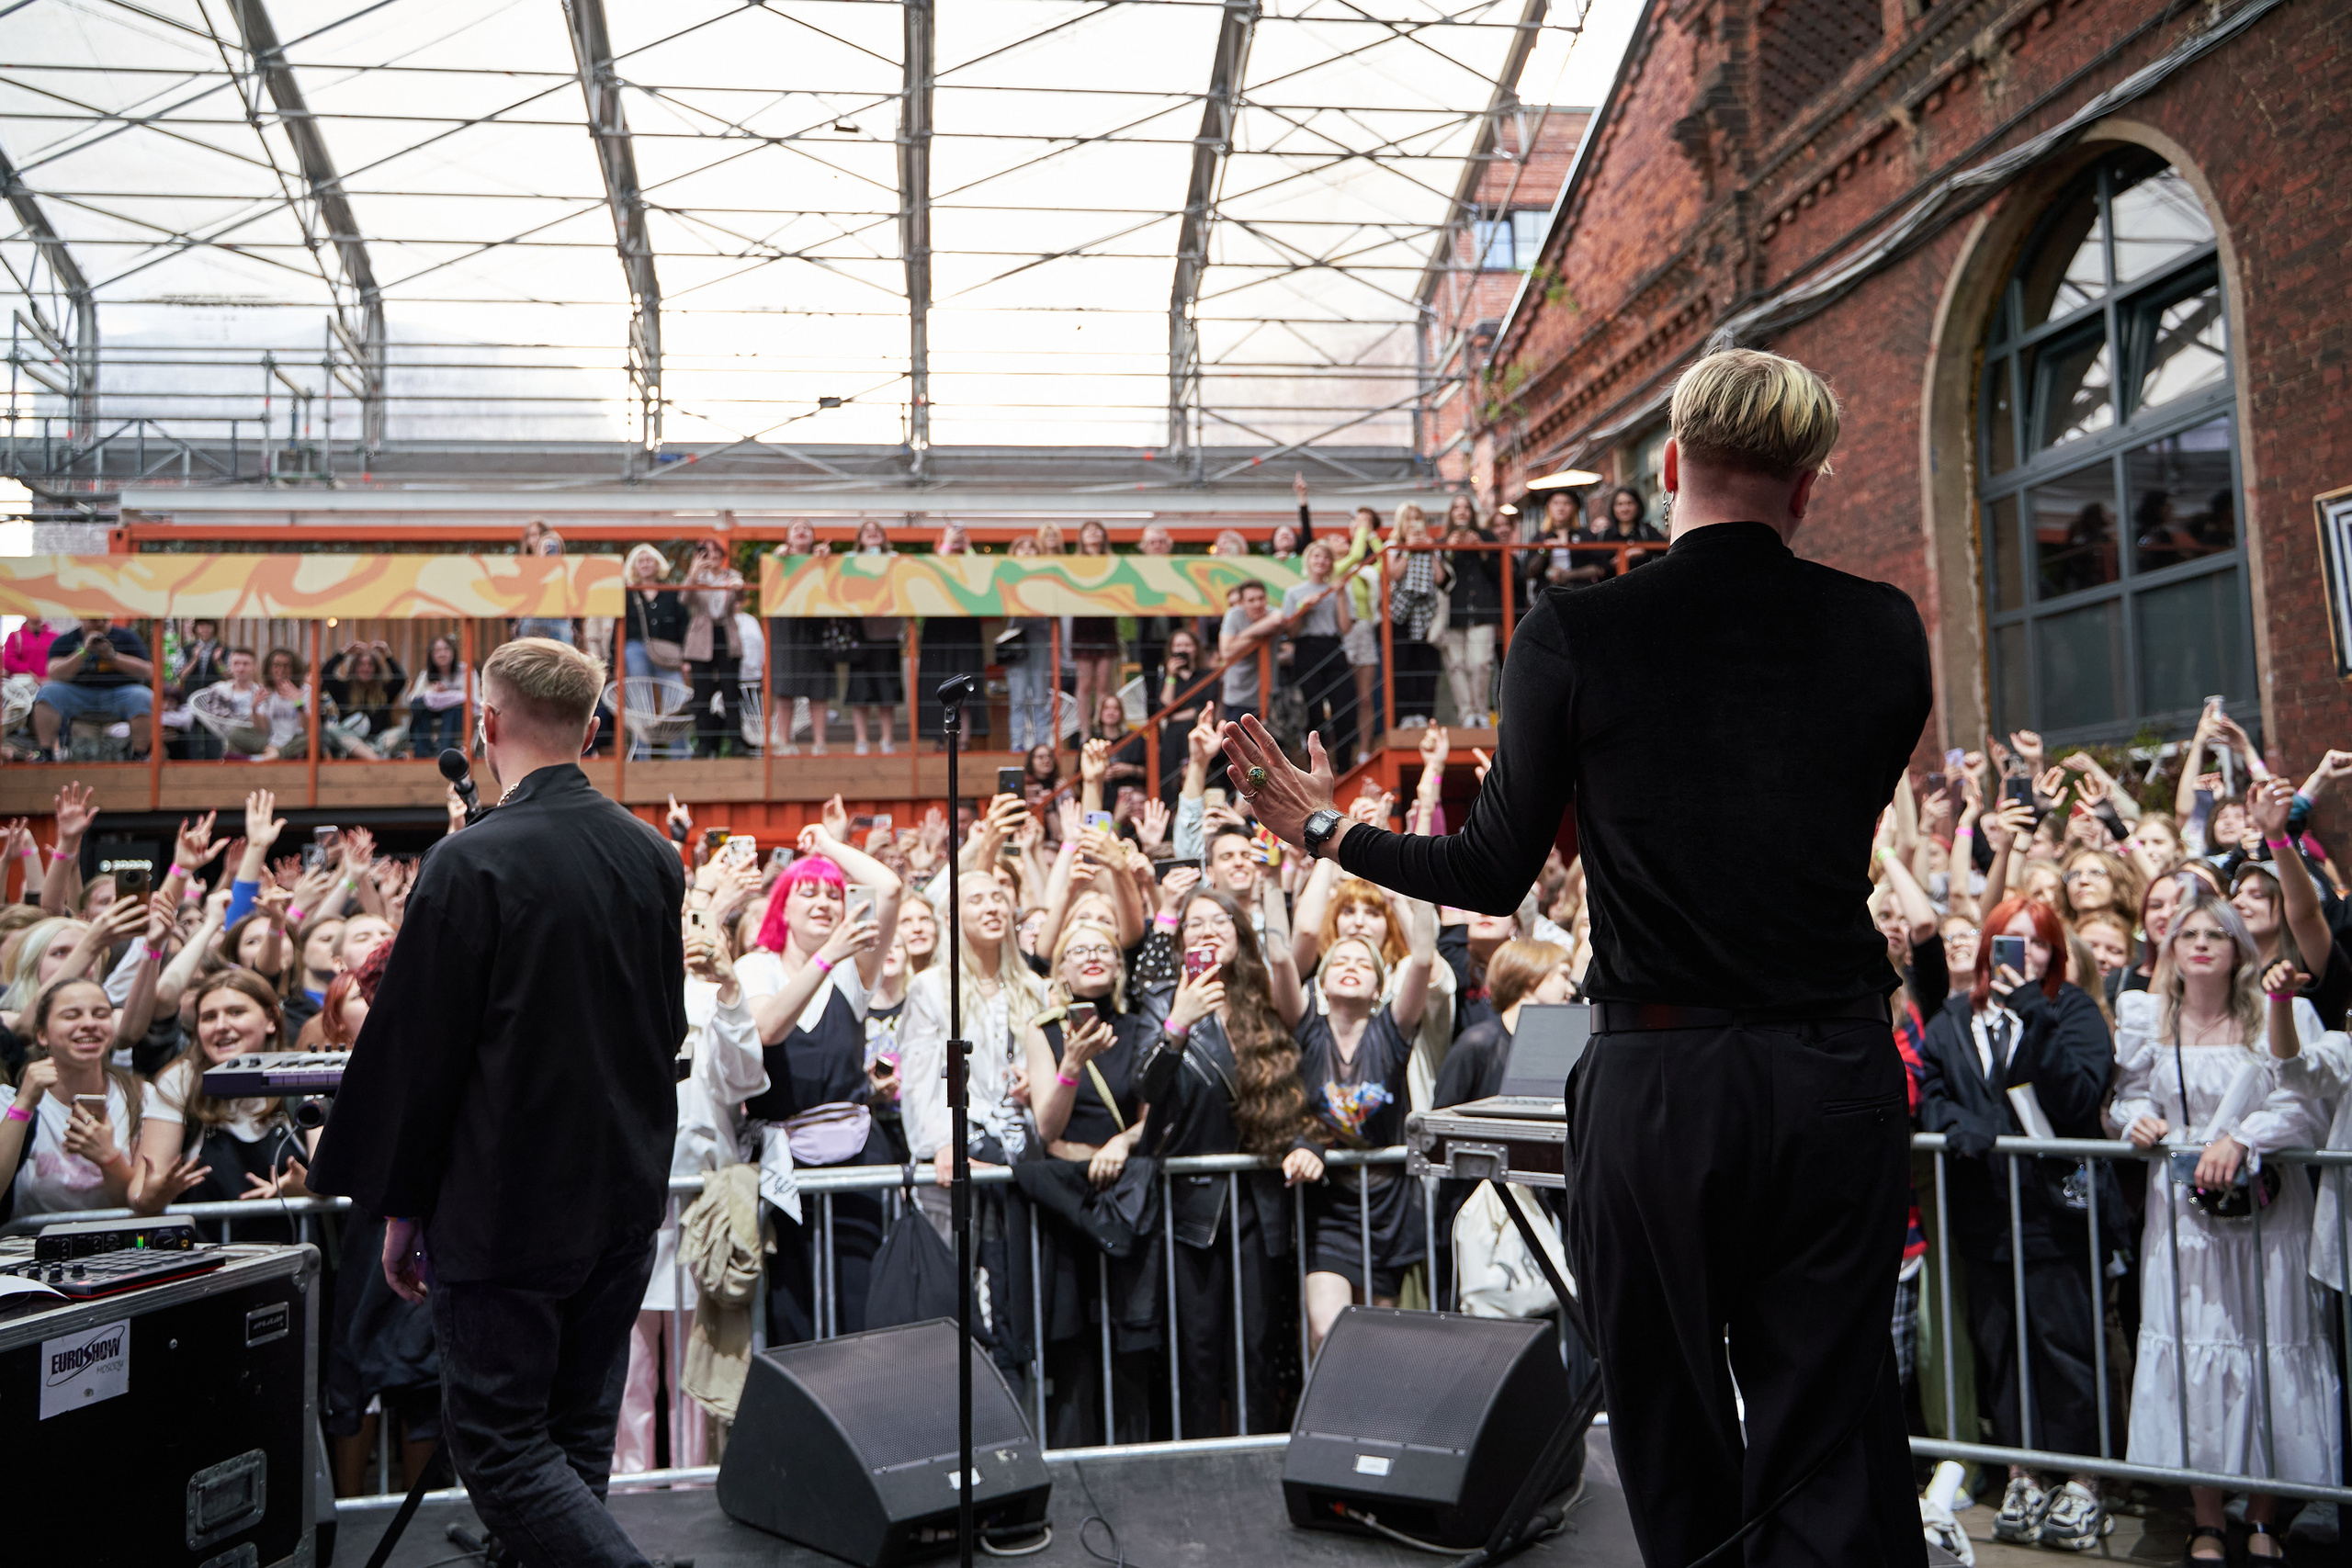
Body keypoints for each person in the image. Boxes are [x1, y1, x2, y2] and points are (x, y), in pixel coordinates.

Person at [1223, 348, 1934, 1565]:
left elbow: (1492, 873)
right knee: (1833, 1413)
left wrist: (1329, 828)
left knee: (1668, 1413)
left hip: (1663, 1078)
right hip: (1835, 1067)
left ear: (1666, 470)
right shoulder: (1880, 629)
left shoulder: (1578, 629)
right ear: (1808, 486)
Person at [307, 637, 687, 1568]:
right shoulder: (652, 855)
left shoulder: (469, 863)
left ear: (485, 723)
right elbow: (662, 1027)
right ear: (595, 727)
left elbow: (423, 1060)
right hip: (624, 1196)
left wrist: (400, 1209)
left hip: (506, 1206)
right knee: (573, 1437)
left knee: (503, 1449)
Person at [2109, 887, 2339, 1556]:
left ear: (2239, 946)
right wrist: (2135, 1120)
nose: (2202, 943)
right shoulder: (2149, 1020)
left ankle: (2263, 1515)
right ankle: (2207, 1515)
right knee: (2189, 1348)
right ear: (2172, 952)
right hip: (2182, 1215)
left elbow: (2307, 1100)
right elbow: (2124, 1097)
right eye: (2188, 935)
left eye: (2217, 932)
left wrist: (2242, 1136)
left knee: (2270, 1344)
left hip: (2268, 1209)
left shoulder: (2282, 1013)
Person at [1912, 896, 2117, 1546]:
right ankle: (2025, 1473)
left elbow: (2081, 1095)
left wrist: (2033, 1008)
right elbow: (1936, 1094)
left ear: (2055, 953)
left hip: (2059, 1214)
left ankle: (2085, 1482)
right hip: (1987, 1216)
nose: (2021, 954)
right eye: (2008, 941)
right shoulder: (1951, 1017)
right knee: (2003, 1349)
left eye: (2035, 944)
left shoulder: (2071, 1010)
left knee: (2067, 1349)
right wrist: (1958, 1125)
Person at [1135, 886, 1317, 1437]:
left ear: (1240, 936)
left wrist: (1306, 1145)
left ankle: (1259, 1457)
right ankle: (1199, 1466)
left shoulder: (1264, 999)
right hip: (1192, 1207)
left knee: (1257, 1346)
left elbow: (1294, 1093)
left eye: (1222, 922)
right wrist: (1178, 1024)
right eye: (1196, 924)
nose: (1209, 931)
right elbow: (1143, 1084)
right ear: (1180, 939)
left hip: (1259, 1204)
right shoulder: (1162, 998)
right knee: (1198, 1348)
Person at [727, 817, 902, 1342]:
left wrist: (827, 844)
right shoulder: (758, 967)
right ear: (783, 906)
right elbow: (767, 1029)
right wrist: (826, 956)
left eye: (833, 894)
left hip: (856, 1154)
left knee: (858, 1298)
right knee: (792, 1306)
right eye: (809, 893)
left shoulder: (855, 971)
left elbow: (889, 888)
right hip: (784, 1161)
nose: (825, 903)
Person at [1295, 892, 1434, 1351]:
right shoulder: (1309, 1031)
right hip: (1330, 1208)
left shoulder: (1390, 1032)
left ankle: (1370, 1425)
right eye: (1339, 961)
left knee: (1376, 1344)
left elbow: (1423, 957)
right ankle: (1331, 1424)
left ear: (1379, 988)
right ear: (1321, 981)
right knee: (1327, 1332)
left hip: (1388, 1208)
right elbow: (1289, 948)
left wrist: (1402, 888)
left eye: (1363, 962)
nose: (1351, 965)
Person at [2, 976, 205, 1221]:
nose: (89, 1024)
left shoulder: (143, 1097)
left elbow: (136, 1207)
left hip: (122, 1246)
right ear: (42, 1035)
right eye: (71, 1015)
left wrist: (108, 1158)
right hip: (34, 1244)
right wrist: (23, 1105)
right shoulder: (8, 1100)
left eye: (100, 1014)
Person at [35, 615, 155, 760]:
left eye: (104, 620)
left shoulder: (127, 637)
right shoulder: (66, 640)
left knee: (143, 696)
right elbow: (54, 673)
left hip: (118, 695)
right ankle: (46, 753)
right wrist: (83, 652)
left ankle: (140, 755)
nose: (99, 623)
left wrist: (112, 656)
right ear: (81, 618)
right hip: (79, 696)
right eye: (93, 619)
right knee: (48, 692)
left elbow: (148, 671)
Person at [1283, 539, 1356, 770]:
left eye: (1325, 557)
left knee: (1344, 706)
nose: (1321, 561)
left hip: (1333, 647)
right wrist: (1303, 608)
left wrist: (1341, 594)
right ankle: (1318, 769)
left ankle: (1343, 764)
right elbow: (1290, 632)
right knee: (1313, 711)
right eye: (1316, 556)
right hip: (1306, 649)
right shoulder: (1294, 592)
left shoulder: (1338, 589)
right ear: (1308, 561)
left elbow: (1345, 627)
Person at [683, 536, 747, 758]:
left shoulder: (733, 576)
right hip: (701, 639)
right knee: (701, 695)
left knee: (731, 692)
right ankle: (704, 744)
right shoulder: (696, 577)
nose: (712, 558)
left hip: (726, 635)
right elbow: (684, 599)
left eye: (715, 553)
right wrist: (693, 573)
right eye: (706, 554)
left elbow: (742, 595)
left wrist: (738, 588)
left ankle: (736, 742)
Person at [1438, 502, 1500, 727]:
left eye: (1466, 508)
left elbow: (1500, 573)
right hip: (1452, 614)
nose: (1462, 512)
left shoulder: (1487, 537)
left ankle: (1481, 712)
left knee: (1481, 662)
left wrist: (1482, 550)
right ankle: (1466, 714)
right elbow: (1439, 579)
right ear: (1451, 513)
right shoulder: (1443, 540)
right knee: (1456, 665)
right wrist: (1449, 549)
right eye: (1456, 508)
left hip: (1482, 610)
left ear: (1472, 513)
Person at [1333, 507, 1385, 765]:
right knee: (1341, 698)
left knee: (1365, 697)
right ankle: (1337, 753)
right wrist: (1363, 525)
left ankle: (1364, 748)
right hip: (1340, 635)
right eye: (1334, 540)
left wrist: (1372, 533)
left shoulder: (1361, 570)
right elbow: (1355, 553)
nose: (1340, 539)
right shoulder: (1335, 567)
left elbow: (1381, 564)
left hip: (1363, 631)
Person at [847, 519, 903, 755]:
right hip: (860, 636)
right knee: (860, 692)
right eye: (866, 531)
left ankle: (886, 739)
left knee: (887, 691)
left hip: (888, 635)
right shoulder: (850, 560)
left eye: (876, 531)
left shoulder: (895, 559)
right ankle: (861, 741)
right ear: (860, 538)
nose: (871, 534)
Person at [1385, 504, 1443, 727]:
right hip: (1400, 614)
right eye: (1408, 518)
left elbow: (1440, 578)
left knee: (1426, 665)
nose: (1413, 522)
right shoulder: (1393, 546)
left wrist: (1429, 550)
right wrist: (1409, 549)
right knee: (1402, 665)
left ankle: (1424, 714)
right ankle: (1404, 715)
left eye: (1417, 517)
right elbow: (1393, 574)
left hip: (1426, 613)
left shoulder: (1432, 545)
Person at [1003, 536, 1057, 751]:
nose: (1026, 551)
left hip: (1041, 634)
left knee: (1040, 694)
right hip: (1015, 635)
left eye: (1031, 548)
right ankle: (1016, 743)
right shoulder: (1006, 574)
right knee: (1017, 696)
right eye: (1021, 548)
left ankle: (1041, 744)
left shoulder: (1046, 576)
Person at [1070, 520, 1122, 738]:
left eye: (1097, 529)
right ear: (1081, 537)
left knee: (1103, 683)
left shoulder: (1113, 562)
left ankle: (1103, 729)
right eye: (1088, 530)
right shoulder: (1073, 563)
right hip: (1083, 624)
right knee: (1084, 683)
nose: (1093, 533)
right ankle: (1084, 732)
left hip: (1105, 624)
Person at [1216, 580, 1285, 728]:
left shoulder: (1272, 613)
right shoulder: (1234, 615)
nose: (1257, 604)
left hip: (1266, 698)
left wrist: (1243, 635)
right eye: (1251, 600)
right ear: (1242, 603)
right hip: (1237, 696)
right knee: (1238, 748)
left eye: (1261, 598)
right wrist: (1261, 631)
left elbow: (1278, 619)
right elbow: (1226, 651)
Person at [322, 641, 409, 756]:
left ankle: (369, 754)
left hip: (378, 741)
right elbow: (325, 673)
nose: (365, 668)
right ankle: (375, 756)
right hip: (352, 742)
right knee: (331, 729)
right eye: (361, 664)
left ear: (376, 669)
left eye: (370, 664)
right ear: (354, 667)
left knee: (402, 732)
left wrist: (387, 655)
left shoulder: (384, 690)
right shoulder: (344, 688)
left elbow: (401, 679)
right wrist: (343, 653)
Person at [405, 636, 471, 757]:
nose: (442, 654)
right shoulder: (426, 674)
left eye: (446, 649)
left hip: (456, 714)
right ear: (431, 655)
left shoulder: (464, 670)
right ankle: (422, 753)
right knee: (418, 706)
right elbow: (412, 699)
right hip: (431, 712)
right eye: (437, 650)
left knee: (453, 708)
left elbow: (472, 697)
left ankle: (445, 751)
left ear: (453, 652)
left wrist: (447, 695)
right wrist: (432, 691)